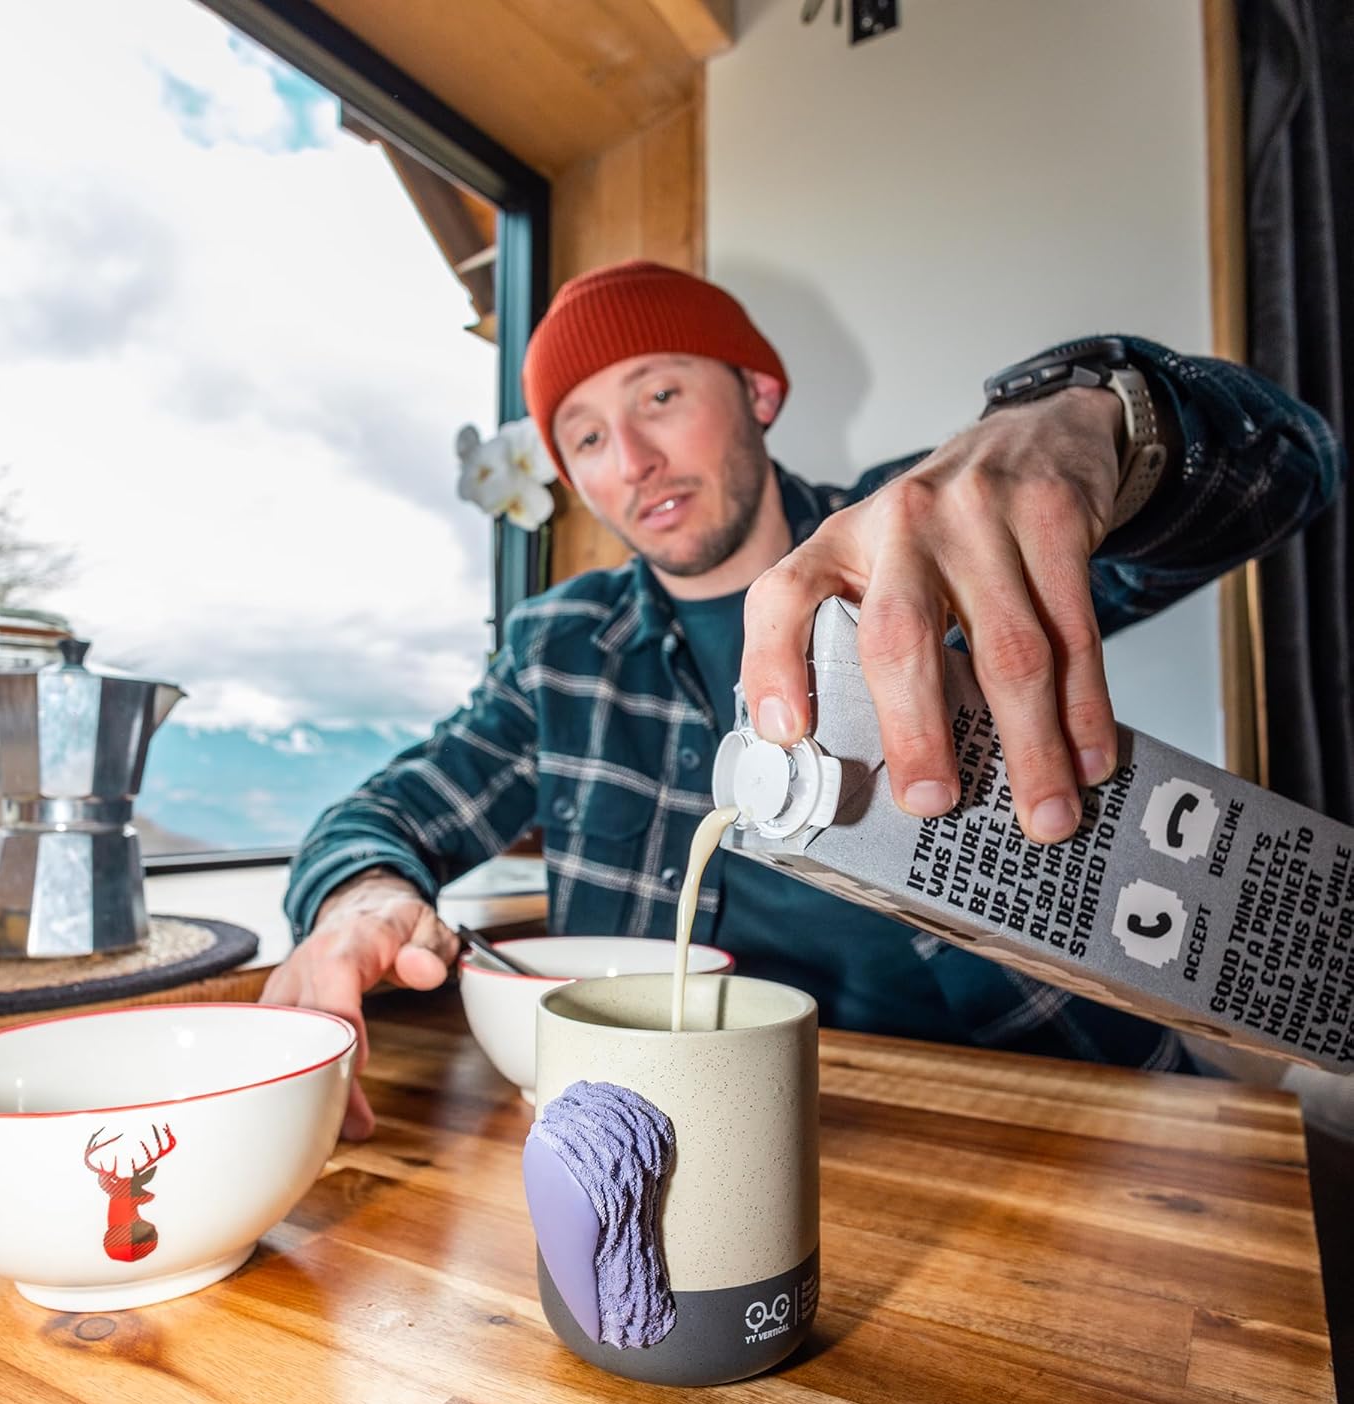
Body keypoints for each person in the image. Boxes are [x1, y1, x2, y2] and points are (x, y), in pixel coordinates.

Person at [263, 260, 1344, 1138]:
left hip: (1051, 1103)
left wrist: (1092, 422)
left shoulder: (926, 536)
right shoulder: (561, 651)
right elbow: (385, 814)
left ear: (758, 393)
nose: (633, 459)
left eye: (660, 396)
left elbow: (1294, 465)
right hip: (704, 1131)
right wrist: (359, 902)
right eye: (587, 437)